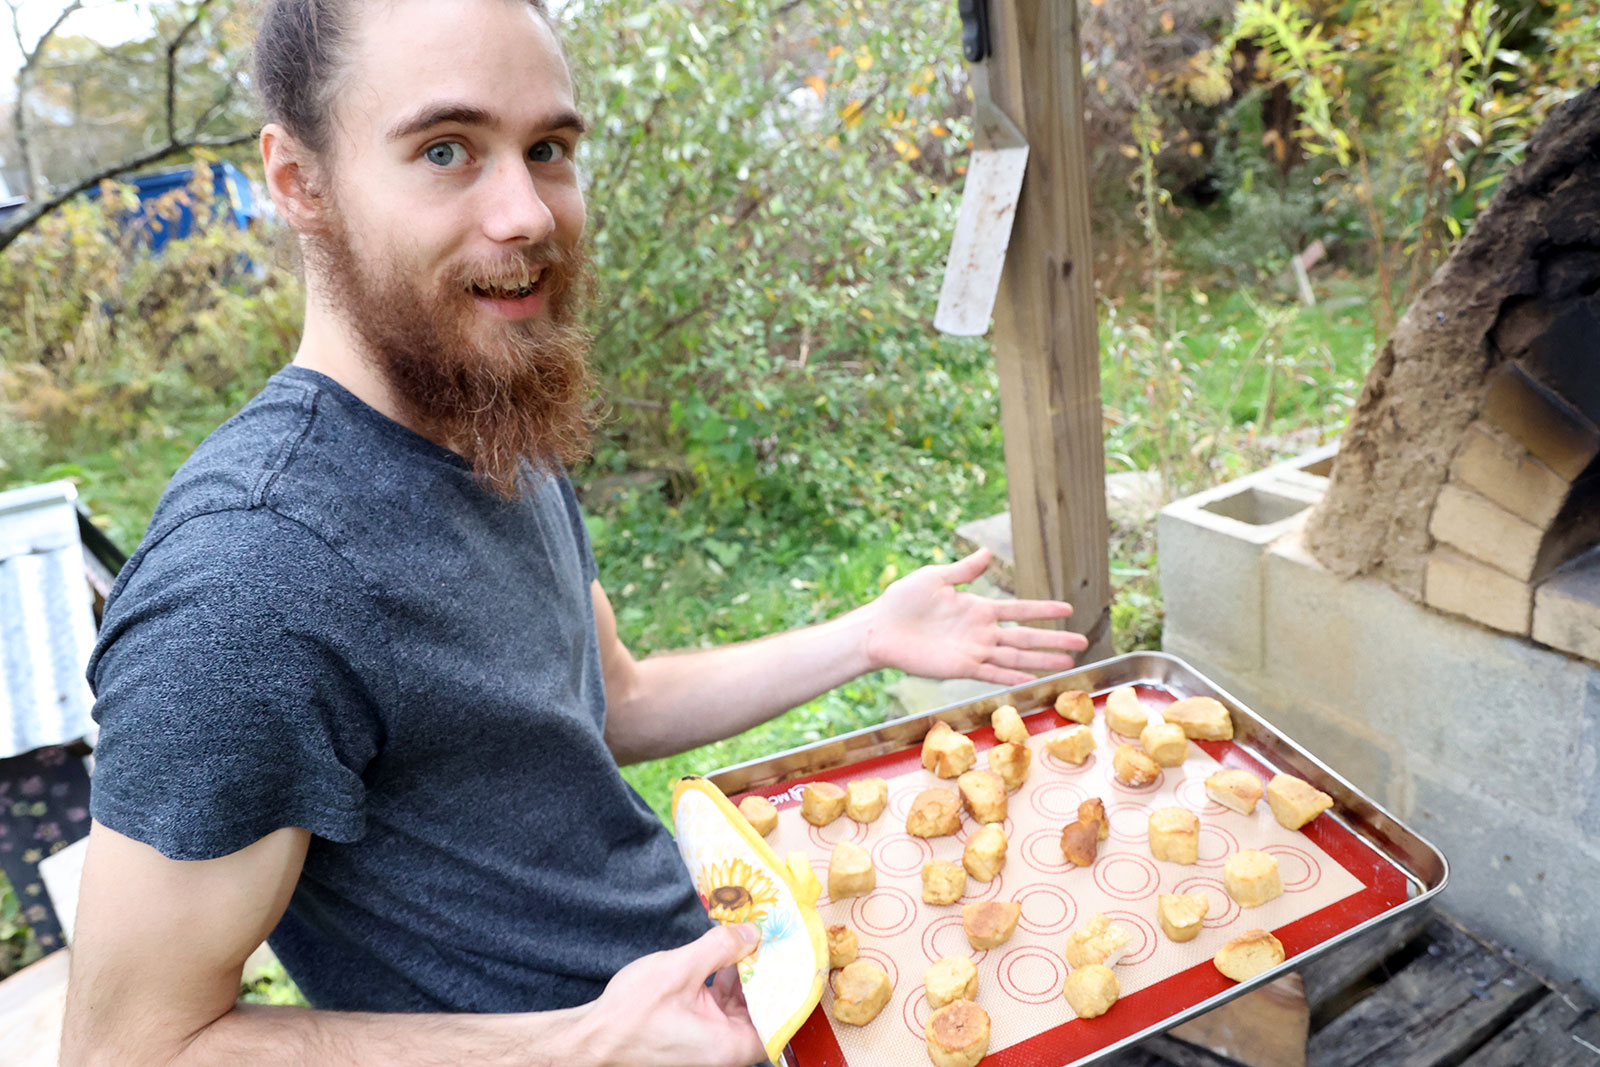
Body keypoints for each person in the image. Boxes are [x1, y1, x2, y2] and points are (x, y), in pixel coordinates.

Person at [58, 1, 1090, 1063]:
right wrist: (588, 1042)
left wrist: (866, 634)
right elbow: (129, 1047)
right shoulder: (251, 578)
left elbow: (613, 699)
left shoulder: (485, 405)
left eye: (547, 148)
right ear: (299, 182)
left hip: (720, 986)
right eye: (446, 149)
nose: (527, 213)